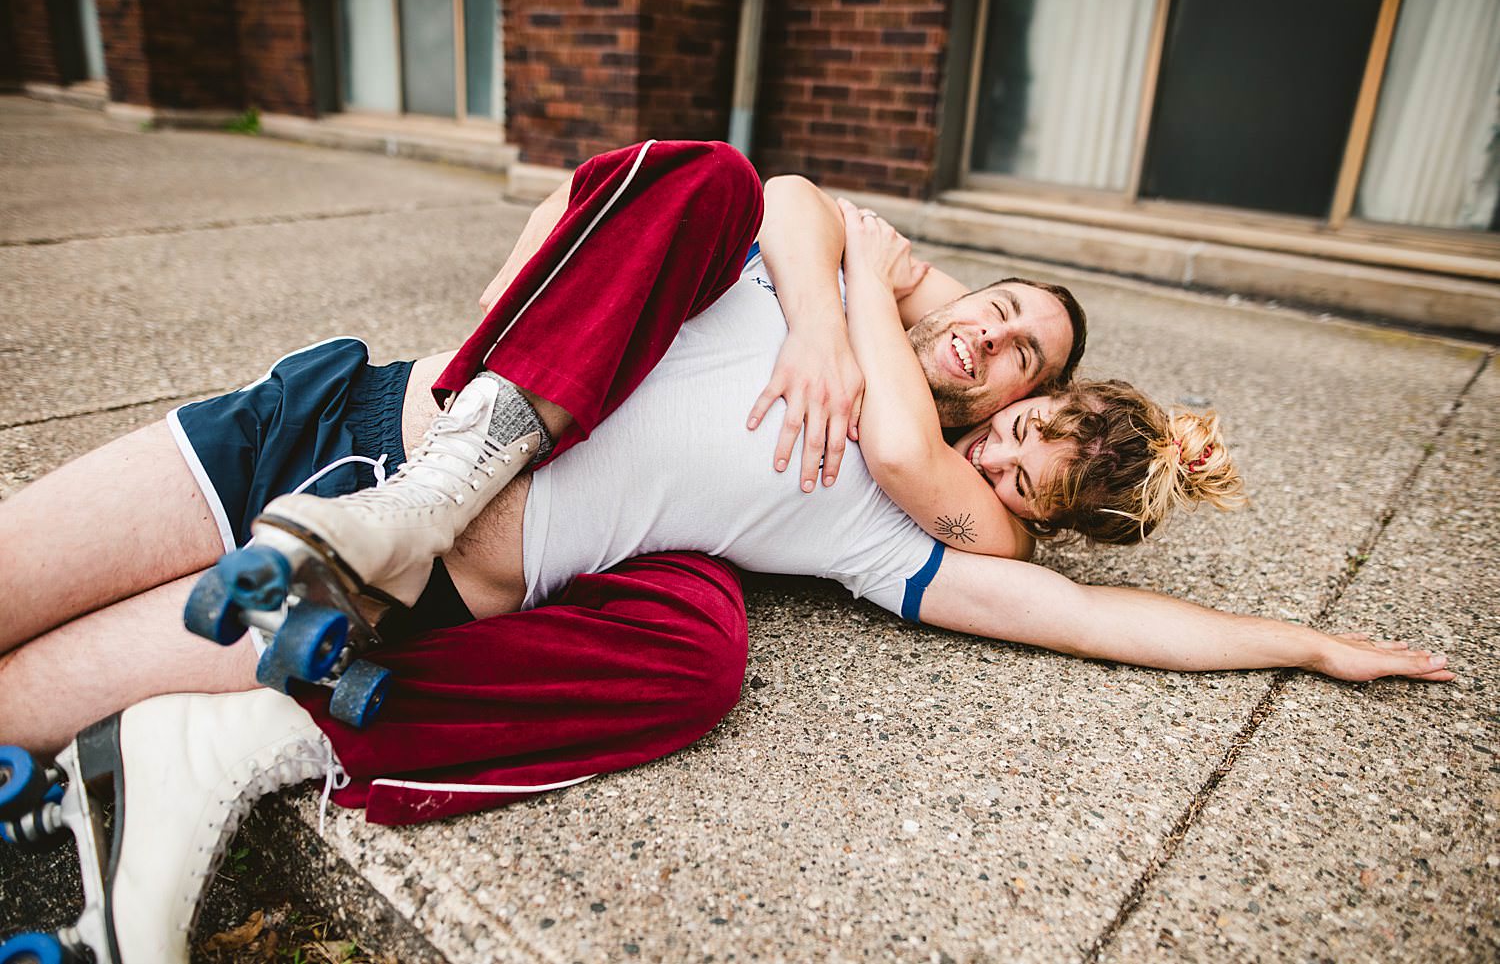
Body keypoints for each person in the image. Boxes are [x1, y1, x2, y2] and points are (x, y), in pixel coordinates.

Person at [0, 142, 1451, 964]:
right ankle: (420, 493)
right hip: (346, 426)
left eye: (1022, 391)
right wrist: (837, 303)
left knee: (702, 642)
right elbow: (758, 199)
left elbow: (1084, 611)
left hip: (398, 586)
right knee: (703, 168)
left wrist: (1310, 643)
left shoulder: (912, 519)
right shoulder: (802, 253)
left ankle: (277, 706)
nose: (997, 352)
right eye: (1008, 315)